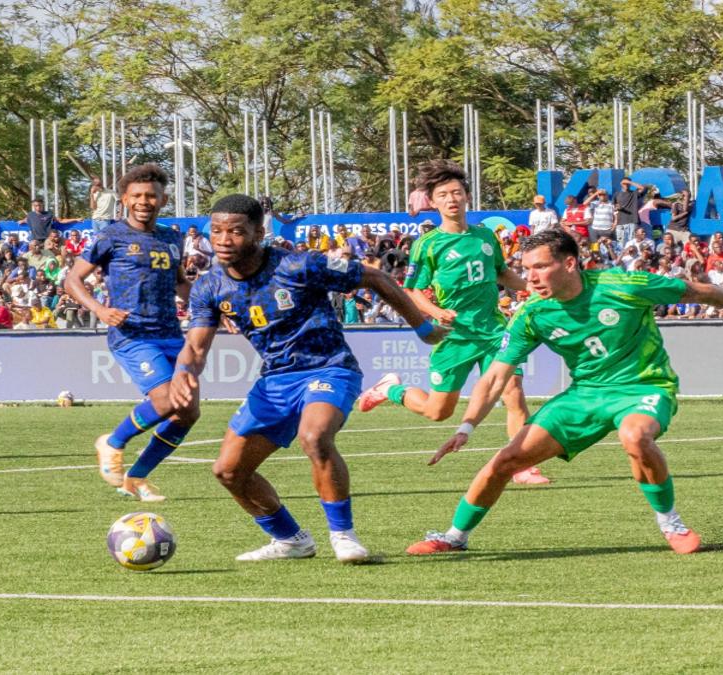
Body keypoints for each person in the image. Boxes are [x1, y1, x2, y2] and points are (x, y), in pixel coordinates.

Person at [405, 230, 723, 556]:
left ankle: (670, 522)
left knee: (634, 436)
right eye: (525, 269)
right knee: (504, 461)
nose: (529, 278)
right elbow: (495, 377)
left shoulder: (624, 284)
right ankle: (454, 537)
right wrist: (467, 428)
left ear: (569, 263)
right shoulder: (531, 313)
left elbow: (703, 292)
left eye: (540, 267)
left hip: (643, 386)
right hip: (585, 395)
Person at [170, 193, 449, 563]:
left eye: (236, 231)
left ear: (258, 232)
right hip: (275, 380)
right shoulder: (209, 287)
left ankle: (344, 536)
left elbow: (375, 276)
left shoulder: (299, 265)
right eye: (217, 231)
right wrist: (183, 373)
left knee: (315, 436)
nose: (223, 240)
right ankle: (291, 540)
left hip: (330, 367)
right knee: (228, 471)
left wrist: (422, 326)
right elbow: (197, 346)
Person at [358, 159, 547, 485]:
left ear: (467, 196)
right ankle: (391, 388)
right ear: (433, 201)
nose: (452, 199)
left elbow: (501, 273)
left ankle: (521, 466)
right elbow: (413, 291)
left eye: (457, 192)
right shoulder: (427, 245)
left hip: (493, 330)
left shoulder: (485, 236)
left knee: (514, 392)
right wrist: (434, 312)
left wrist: (530, 286)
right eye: (444, 194)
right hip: (454, 336)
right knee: (438, 411)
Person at [64, 164, 198, 503]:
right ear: (124, 200)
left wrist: (212, 309)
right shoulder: (112, 237)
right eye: (137, 196)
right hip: (132, 334)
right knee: (166, 400)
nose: (144, 201)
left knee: (188, 412)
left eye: (151, 196)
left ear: (162, 200)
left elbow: (181, 281)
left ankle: (136, 478)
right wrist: (100, 310)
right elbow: (73, 280)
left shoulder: (171, 238)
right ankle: (112, 442)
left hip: (171, 332)